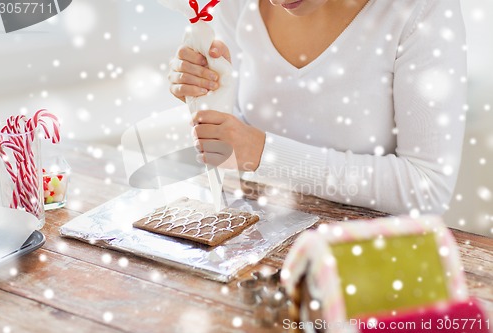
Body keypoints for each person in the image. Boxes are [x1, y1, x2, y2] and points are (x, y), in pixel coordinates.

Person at [168, 0, 467, 215]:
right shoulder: (235, 6)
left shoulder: (422, 10)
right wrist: (207, 93)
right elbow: (240, 140)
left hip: (372, 257)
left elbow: (428, 189)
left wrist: (266, 155)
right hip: (262, 242)